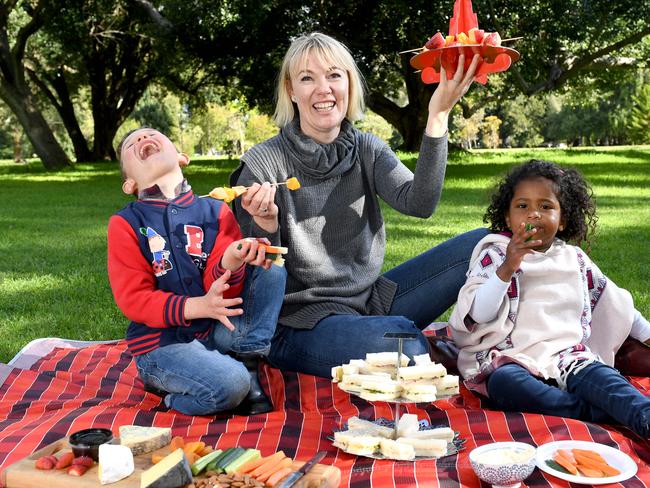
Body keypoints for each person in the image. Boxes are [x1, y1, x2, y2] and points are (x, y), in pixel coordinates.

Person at [229, 32, 488, 379]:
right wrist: (265, 225)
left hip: (370, 302)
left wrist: (438, 114)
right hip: (300, 325)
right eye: (308, 78)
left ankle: (402, 339)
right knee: (405, 344)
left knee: (483, 244)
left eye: (334, 75)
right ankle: (437, 351)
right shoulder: (261, 166)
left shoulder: (367, 148)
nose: (324, 89)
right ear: (292, 90)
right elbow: (251, 272)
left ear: (349, 84)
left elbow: (421, 203)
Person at [449, 159, 650, 438]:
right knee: (506, 385)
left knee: (607, 381)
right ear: (508, 218)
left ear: (563, 218)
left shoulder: (573, 259)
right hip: (510, 357)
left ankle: (644, 417)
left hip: (567, 357)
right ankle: (593, 412)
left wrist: (647, 335)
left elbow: (613, 301)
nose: (534, 214)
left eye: (546, 206)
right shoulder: (495, 254)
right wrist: (508, 267)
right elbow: (478, 315)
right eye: (522, 206)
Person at [107, 127, 286, 416]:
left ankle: (249, 363)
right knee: (230, 384)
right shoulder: (126, 223)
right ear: (129, 184)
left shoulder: (215, 211)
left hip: (217, 333)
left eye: (151, 134)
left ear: (182, 158)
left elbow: (221, 287)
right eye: (131, 143)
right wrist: (198, 306)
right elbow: (134, 299)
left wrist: (232, 260)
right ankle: (171, 397)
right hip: (162, 344)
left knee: (271, 267)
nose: (142, 139)